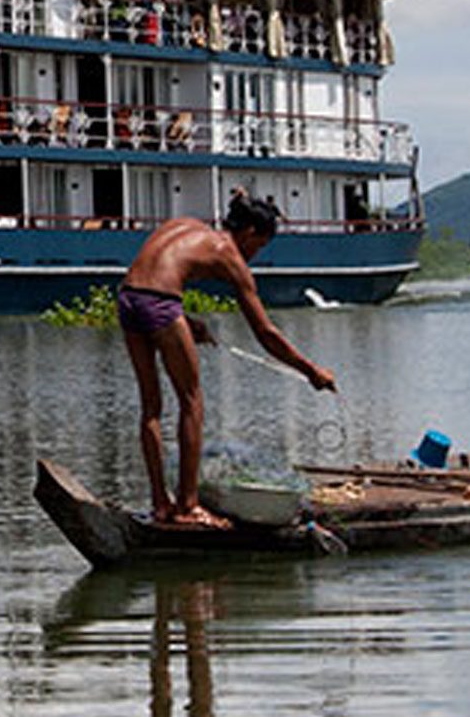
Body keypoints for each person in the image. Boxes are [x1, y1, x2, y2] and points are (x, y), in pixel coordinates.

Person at [116, 194, 336, 528]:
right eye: (258, 245)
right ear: (248, 232)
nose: (254, 254)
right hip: (159, 302)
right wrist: (311, 372)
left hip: (128, 297)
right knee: (192, 401)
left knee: (151, 406)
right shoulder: (230, 257)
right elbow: (266, 334)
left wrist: (186, 322)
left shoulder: (186, 225)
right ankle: (187, 506)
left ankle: (161, 503)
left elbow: (152, 277)